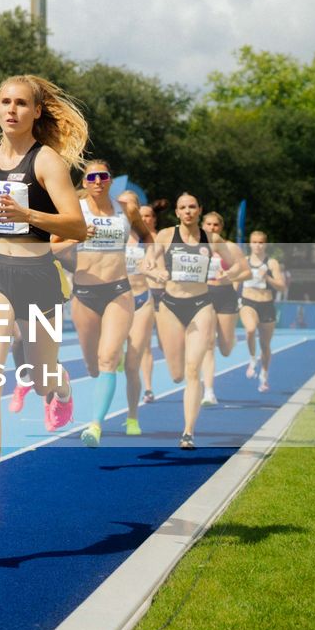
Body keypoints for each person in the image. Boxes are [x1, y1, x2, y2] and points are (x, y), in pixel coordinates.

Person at [0, 75, 89, 532]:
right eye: (4, 102)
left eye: (21, 103)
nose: (11, 109)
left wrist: (29, 215)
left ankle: (61, 389)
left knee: (41, 371)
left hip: (37, 277)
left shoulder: (46, 162)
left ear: (35, 112)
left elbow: (76, 227)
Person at [50, 161, 149, 446]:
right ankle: (106, 363)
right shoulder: (74, 213)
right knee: (93, 366)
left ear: (110, 180)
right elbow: (52, 247)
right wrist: (77, 237)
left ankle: (95, 426)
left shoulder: (125, 209)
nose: (97, 180)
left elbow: (146, 235)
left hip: (119, 290)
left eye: (102, 176)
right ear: (84, 183)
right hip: (84, 293)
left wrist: (152, 255)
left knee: (107, 359)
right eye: (91, 176)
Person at [141, 193, 227, 450]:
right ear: (177, 212)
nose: (188, 211)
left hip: (201, 305)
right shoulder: (166, 236)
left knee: (193, 370)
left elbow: (240, 267)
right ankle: (180, 383)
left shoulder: (212, 239)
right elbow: (146, 264)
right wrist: (157, 272)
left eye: (192, 206)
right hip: (170, 306)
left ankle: (188, 432)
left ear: (200, 209)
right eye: (183, 208)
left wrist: (226, 274)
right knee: (177, 373)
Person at [196, 211, 247, 407]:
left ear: (221, 227)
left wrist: (229, 275)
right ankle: (209, 392)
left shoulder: (230, 247)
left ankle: (229, 336)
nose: (211, 228)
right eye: (208, 224)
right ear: (202, 225)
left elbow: (244, 270)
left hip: (226, 296)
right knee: (208, 343)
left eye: (215, 225)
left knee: (225, 348)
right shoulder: (196, 246)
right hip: (204, 294)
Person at [122, 195, 161, 420]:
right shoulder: (112, 233)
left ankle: (145, 391)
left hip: (143, 296)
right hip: (115, 298)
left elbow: (156, 265)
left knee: (139, 352)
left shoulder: (150, 239)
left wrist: (158, 272)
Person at [238, 230, 286, 389]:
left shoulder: (272, 263)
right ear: (249, 244)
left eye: (261, 242)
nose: (257, 245)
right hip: (247, 302)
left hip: (266, 305)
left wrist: (267, 277)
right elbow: (235, 281)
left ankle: (264, 375)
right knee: (250, 330)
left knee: (265, 345)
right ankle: (252, 358)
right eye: (254, 242)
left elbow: (281, 286)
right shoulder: (244, 261)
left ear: (265, 244)